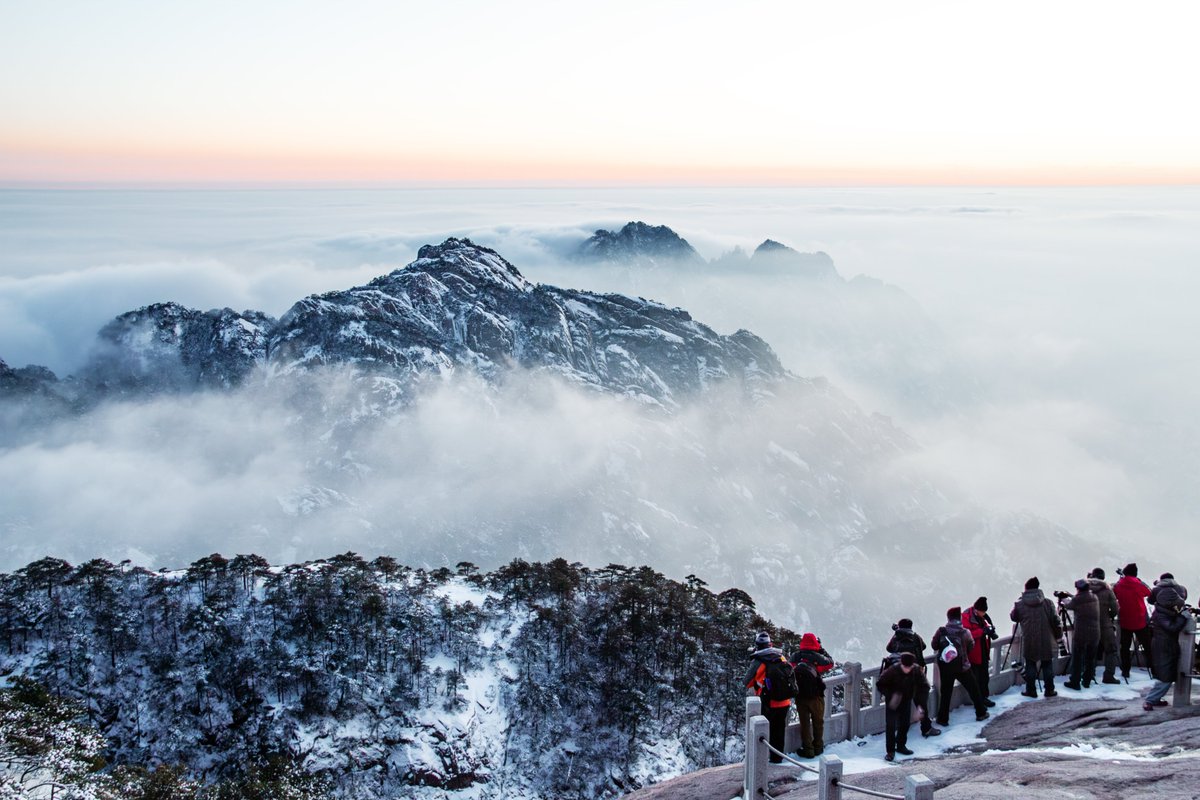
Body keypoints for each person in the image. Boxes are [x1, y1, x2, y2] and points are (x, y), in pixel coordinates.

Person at [931, 607, 989, 725]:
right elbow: (971, 646)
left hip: (946, 666)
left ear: (948, 618)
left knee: (946, 693)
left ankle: (943, 719)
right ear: (959, 618)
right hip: (963, 667)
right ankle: (981, 713)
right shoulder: (965, 632)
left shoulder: (941, 631)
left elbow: (934, 645)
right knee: (974, 690)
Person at [885, 618, 941, 737]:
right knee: (920, 702)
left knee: (901, 703)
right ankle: (926, 728)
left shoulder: (896, 637)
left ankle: (901, 731)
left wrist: (897, 633)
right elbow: (924, 646)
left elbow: (889, 649)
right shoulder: (916, 637)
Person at [1143, 575, 1191, 710]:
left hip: (1165, 645)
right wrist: (1182, 617)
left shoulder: (1162, 610)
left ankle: (1155, 699)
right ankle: (1150, 700)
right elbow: (1172, 628)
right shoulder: (1162, 614)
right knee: (1166, 676)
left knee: (1167, 674)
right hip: (1163, 646)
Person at [1010, 576, 1064, 698]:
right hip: (1046, 638)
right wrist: (1058, 635)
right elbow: (1056, 620)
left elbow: (1014, 617)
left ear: (1026, 588)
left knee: (1030, 664)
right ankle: (1049, 690)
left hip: (1029, 638)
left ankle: (1031, 690)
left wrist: (1018, 603)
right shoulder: (1047, 602)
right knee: (1047, 664)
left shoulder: (1020, 603)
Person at [744, 631, 792, 763]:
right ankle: (777, 759)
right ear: (770, 644)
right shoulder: (781, 657)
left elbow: (747, 682)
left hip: (768, 702)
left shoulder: (758, 660)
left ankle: (762, 761)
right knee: (779, 730)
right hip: (785, 701)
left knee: (765, 732)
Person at [790, 632, 834, 757]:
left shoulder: (795, 656)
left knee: (804, 724)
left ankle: (808, 750)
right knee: (818, 722)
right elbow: (830, 663)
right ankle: (818, 747)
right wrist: (821, 649)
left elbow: (790, 667)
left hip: (800, 695)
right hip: (816, 696)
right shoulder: (818, 657)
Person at [876, 652, 923, 761]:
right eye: (905, 666)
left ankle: (901, 746)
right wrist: (891, 695)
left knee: (905, 724)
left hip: (906, 699)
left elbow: (922, 686)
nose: (907, 669)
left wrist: (920, 705)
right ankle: (890, 751)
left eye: (909, 666)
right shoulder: (892, 670)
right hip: (892, 700)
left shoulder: (916, 670)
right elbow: (880, 684)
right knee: (891, 726)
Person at [1113, 563, 1152, 679]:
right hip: (1140, 620)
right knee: (1147, 646)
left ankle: (1126, 670)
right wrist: (1138, 580)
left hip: (1125, 620)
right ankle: (1153, 669)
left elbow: (1114, 593)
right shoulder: (1139, 584)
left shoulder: (1119, 585)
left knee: (1124, 647)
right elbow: (1149, 592)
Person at [1086, 567, 1122, 684]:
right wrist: (1110, 616)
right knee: (1111, 650)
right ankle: (1108, 676)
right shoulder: (1108, 590)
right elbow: (1115, 608)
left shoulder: (1085, 589)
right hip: (1105, 624)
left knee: (1091, 650)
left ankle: (1089, 674)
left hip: (1089, 625)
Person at [1062, 579, 1100, 690]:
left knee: (1077, 658)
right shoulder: (1094, 597)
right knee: (1090, 658)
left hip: (1082, 633)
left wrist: (1063, 598)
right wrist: (1070, 595)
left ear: (1078, 588)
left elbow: (1069, 605)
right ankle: (1087, 680)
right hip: (1095, 632)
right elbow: (1080, 599)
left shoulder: (1078, 599)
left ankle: (1075, 682)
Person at [961, 598, 998, 704]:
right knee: (975, 678)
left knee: (984, 677)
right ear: (977, 609)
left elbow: (985, 625)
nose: (984, 614)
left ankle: (984, 697)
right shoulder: (966, 616)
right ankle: (978, 701)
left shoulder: (981, 616)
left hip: (983, 651)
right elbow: (966, 634)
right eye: (982, 612)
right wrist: (982, 631)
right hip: (973, 653)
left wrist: (989, 629)